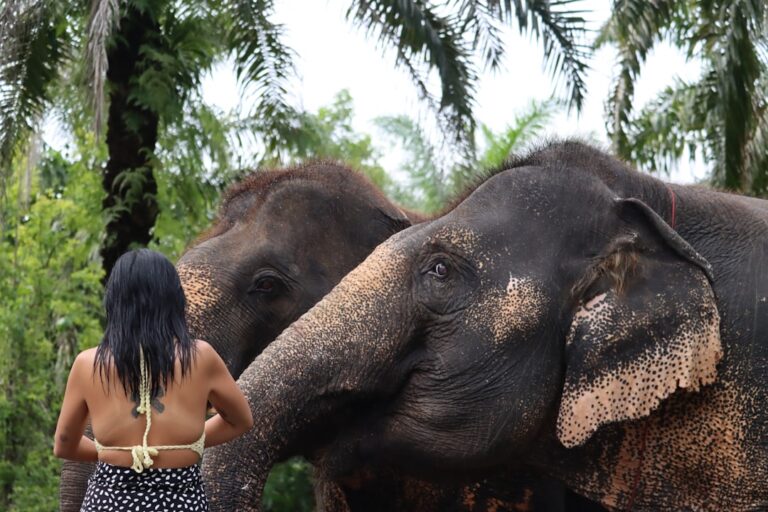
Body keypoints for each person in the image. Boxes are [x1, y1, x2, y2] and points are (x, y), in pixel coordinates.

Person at [54, 249, 254, 511]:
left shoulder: (88, 364)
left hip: (110, 501)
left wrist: (116, 451)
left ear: (115, 302)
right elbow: (241, 420)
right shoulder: (201, 357)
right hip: (182, 501)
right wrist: (187, 442)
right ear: (174, 299)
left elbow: (65, 444)